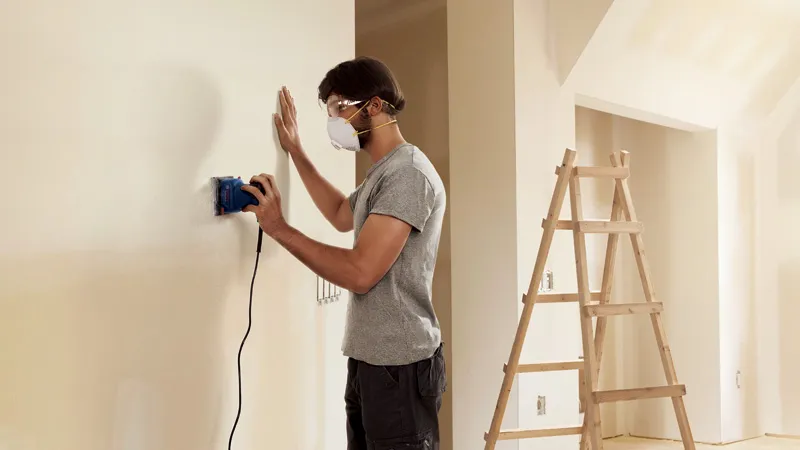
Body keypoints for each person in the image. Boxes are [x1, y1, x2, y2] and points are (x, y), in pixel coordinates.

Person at [241, 56, 447, 449]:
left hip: (399, 364)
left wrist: (278, 227)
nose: (334, 120)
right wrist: (296, 150)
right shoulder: (383, 171)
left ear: (374, 106)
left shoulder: (408, 174)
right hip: (370, 359)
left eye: (339, 107)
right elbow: (340, 214)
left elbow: (360, 273)